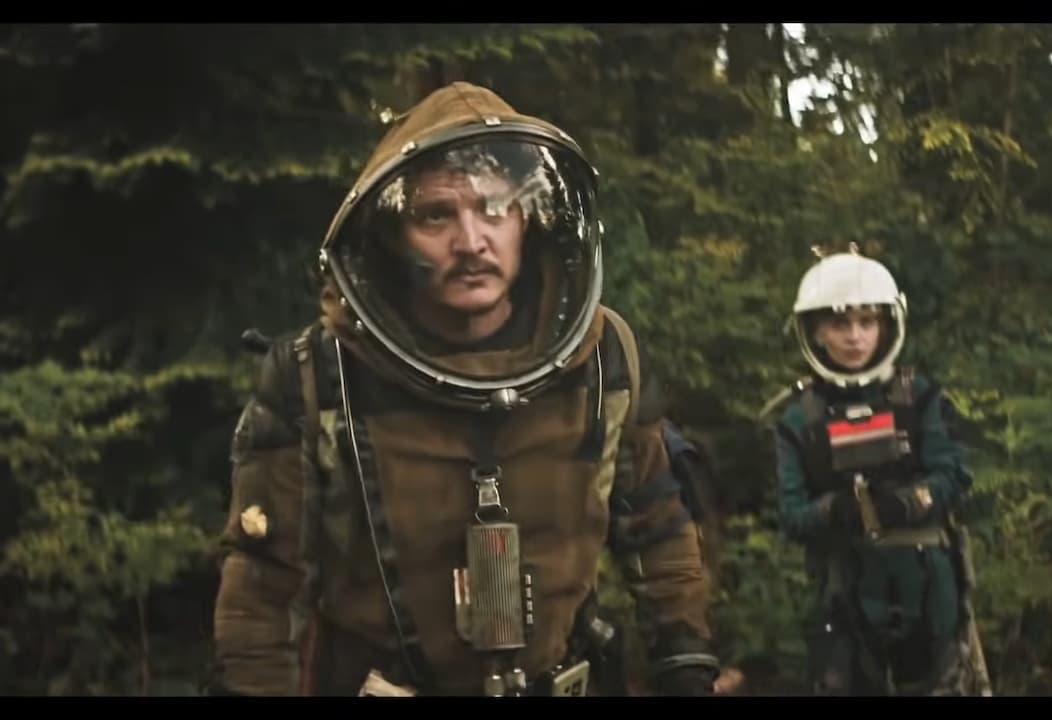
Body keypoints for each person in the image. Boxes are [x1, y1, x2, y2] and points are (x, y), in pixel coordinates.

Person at [207, 81, 719, 697]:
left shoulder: (604, 357)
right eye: (435, 215)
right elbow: (263, 593)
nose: (471, 241)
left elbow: (658, 530)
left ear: (526, 220)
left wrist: (685, 662)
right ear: (394, 236)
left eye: (494, 207)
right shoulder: (319, 376)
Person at [767, 244, 989, 696]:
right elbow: (791, 514)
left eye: (867, 322)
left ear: (886, 325)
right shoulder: (799, 418)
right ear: (815, 331)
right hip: (845, 590)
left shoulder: (920, 398)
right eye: (840, 324)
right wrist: (835, 511)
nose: (855, 336)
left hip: (927, 584)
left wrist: (908, 502)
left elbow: (954, 475)